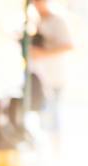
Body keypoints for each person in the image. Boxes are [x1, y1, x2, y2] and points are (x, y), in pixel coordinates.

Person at [30, 0, 73, 140]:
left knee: (52, 119)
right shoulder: (36, 22)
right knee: (43, 119)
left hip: (55, 78)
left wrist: (42, 53)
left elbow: (68, 46)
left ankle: (56, 153)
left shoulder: (58, 21)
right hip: (41, 79)